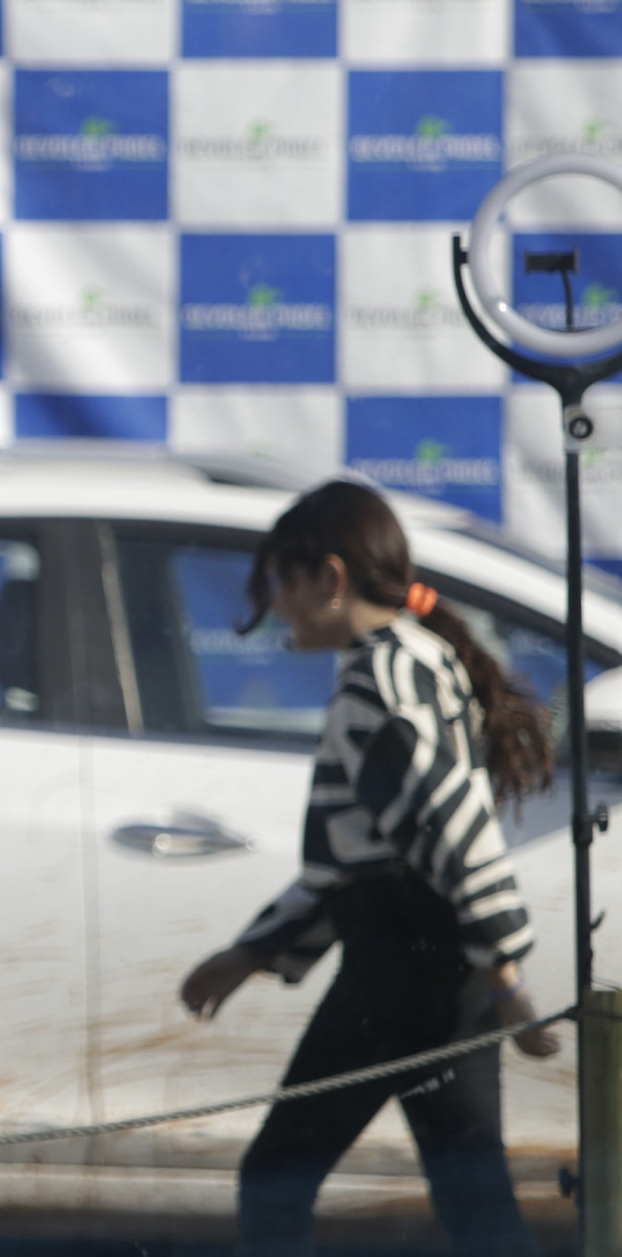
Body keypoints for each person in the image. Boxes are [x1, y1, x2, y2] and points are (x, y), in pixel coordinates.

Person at [178, 480, 560, 1257]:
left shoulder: (373, 684)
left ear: (331, 577)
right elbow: (367, 856)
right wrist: (253, 952)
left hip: (398, 975)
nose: (279, 605)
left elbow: (452, 828)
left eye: (284, 582)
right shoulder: (417, 656)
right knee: (476, 1204)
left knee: (276, 1180)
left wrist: (508, 973)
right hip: (441, 973)